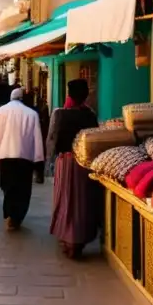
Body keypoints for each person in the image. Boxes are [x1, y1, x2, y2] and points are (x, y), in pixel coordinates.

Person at [48, 79, 101, 258]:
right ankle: (78, 240)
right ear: (85, 95)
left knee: (65, 200)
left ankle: (66, 237)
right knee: (82, 202)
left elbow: (53, 140)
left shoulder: (60, 114)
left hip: (66, 161)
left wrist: (48, 163)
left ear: (69, 94)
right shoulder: (90, 115)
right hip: (85, 165)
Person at [0, 87, 45, 230]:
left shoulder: (1, 112)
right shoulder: (32, 114)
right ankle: (17, 217)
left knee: (8, 187)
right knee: (23, 188)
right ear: (22, 98)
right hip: (25, 158)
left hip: (6, 156)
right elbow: (37, 138)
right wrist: (39, 160)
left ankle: (9, 214)